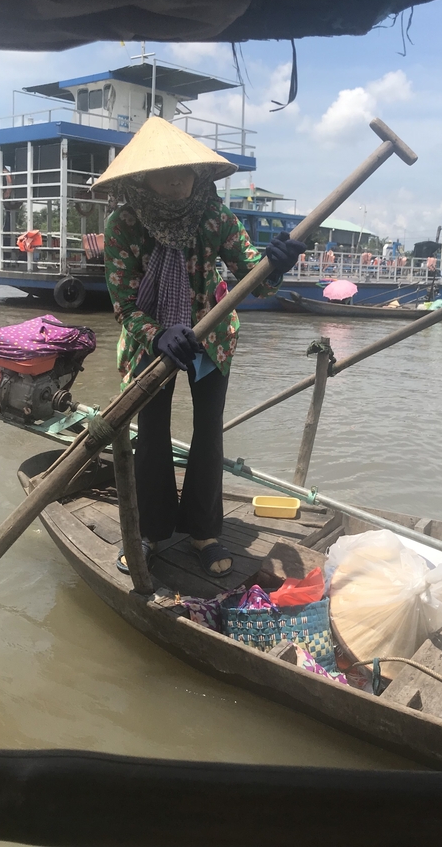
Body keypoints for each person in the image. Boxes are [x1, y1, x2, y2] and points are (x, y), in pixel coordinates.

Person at [96, 118, 305, 578]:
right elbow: (124, 306)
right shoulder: (124, 225)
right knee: (150, 436)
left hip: (211, 336)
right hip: (153, 342)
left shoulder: (214, 217)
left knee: (208, 434)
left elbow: (253, 274)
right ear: (140, 179)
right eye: (166, 173)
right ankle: (149, 532)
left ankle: (204, 531)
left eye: (186, 172)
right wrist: (158, 334)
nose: (178, 181)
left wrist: (275, 265)